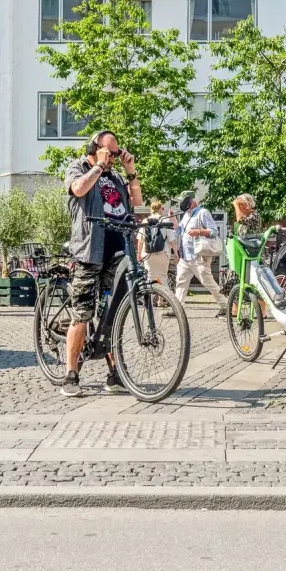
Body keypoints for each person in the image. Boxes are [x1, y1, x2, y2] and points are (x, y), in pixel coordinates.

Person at [62, 130, 142, 397]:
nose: (112, 157)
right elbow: (78, 189)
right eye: (108, 151)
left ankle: (114, 373)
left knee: (112, 315)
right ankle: (71, 374)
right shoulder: (79, 167)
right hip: (90, 249)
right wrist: (97, 165)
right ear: (93, 148)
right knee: (82, 313)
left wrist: (130, 171)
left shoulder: (117, 177)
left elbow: (138, 205)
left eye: (116, 152)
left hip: (118, 250)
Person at [173, 190, 227, 315]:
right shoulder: (186, 215)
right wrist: (175, 223)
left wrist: (199, 232)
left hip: (199, 257)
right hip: (185, 257)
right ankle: (177, 308)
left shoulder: (203, 213)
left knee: (208, 283)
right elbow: (179, 231)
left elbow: (214, 231)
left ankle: (226, 305)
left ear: (190, 200)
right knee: (180, 282)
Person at [136, 199, 172, 291]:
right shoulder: (165, 220)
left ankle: (149, 303)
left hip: (148, 253)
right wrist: (176, 253)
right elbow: (172, 240)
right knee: (163, 276)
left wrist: (139, 254)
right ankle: (165, 300)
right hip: (163, 253)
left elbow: (140, 240)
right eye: (162, 208)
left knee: (149, 277)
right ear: (160, 209)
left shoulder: (145, 220)